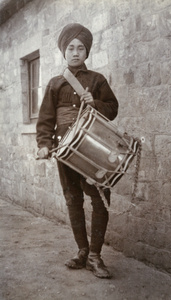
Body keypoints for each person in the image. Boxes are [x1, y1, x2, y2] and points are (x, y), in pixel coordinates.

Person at [36, 23, 118, 279]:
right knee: (73, 199)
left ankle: (95, 255)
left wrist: (95, 103)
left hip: (94, 150)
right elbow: (46, 118)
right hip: (64, 150)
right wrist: (44, 144)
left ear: (86, 51)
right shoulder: (55, 83)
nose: (75, 52)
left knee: (99, 199)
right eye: (70, 47)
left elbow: (113, 109)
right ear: (64, 51)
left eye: (80, 48)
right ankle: (82, 251)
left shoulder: (97, 80)